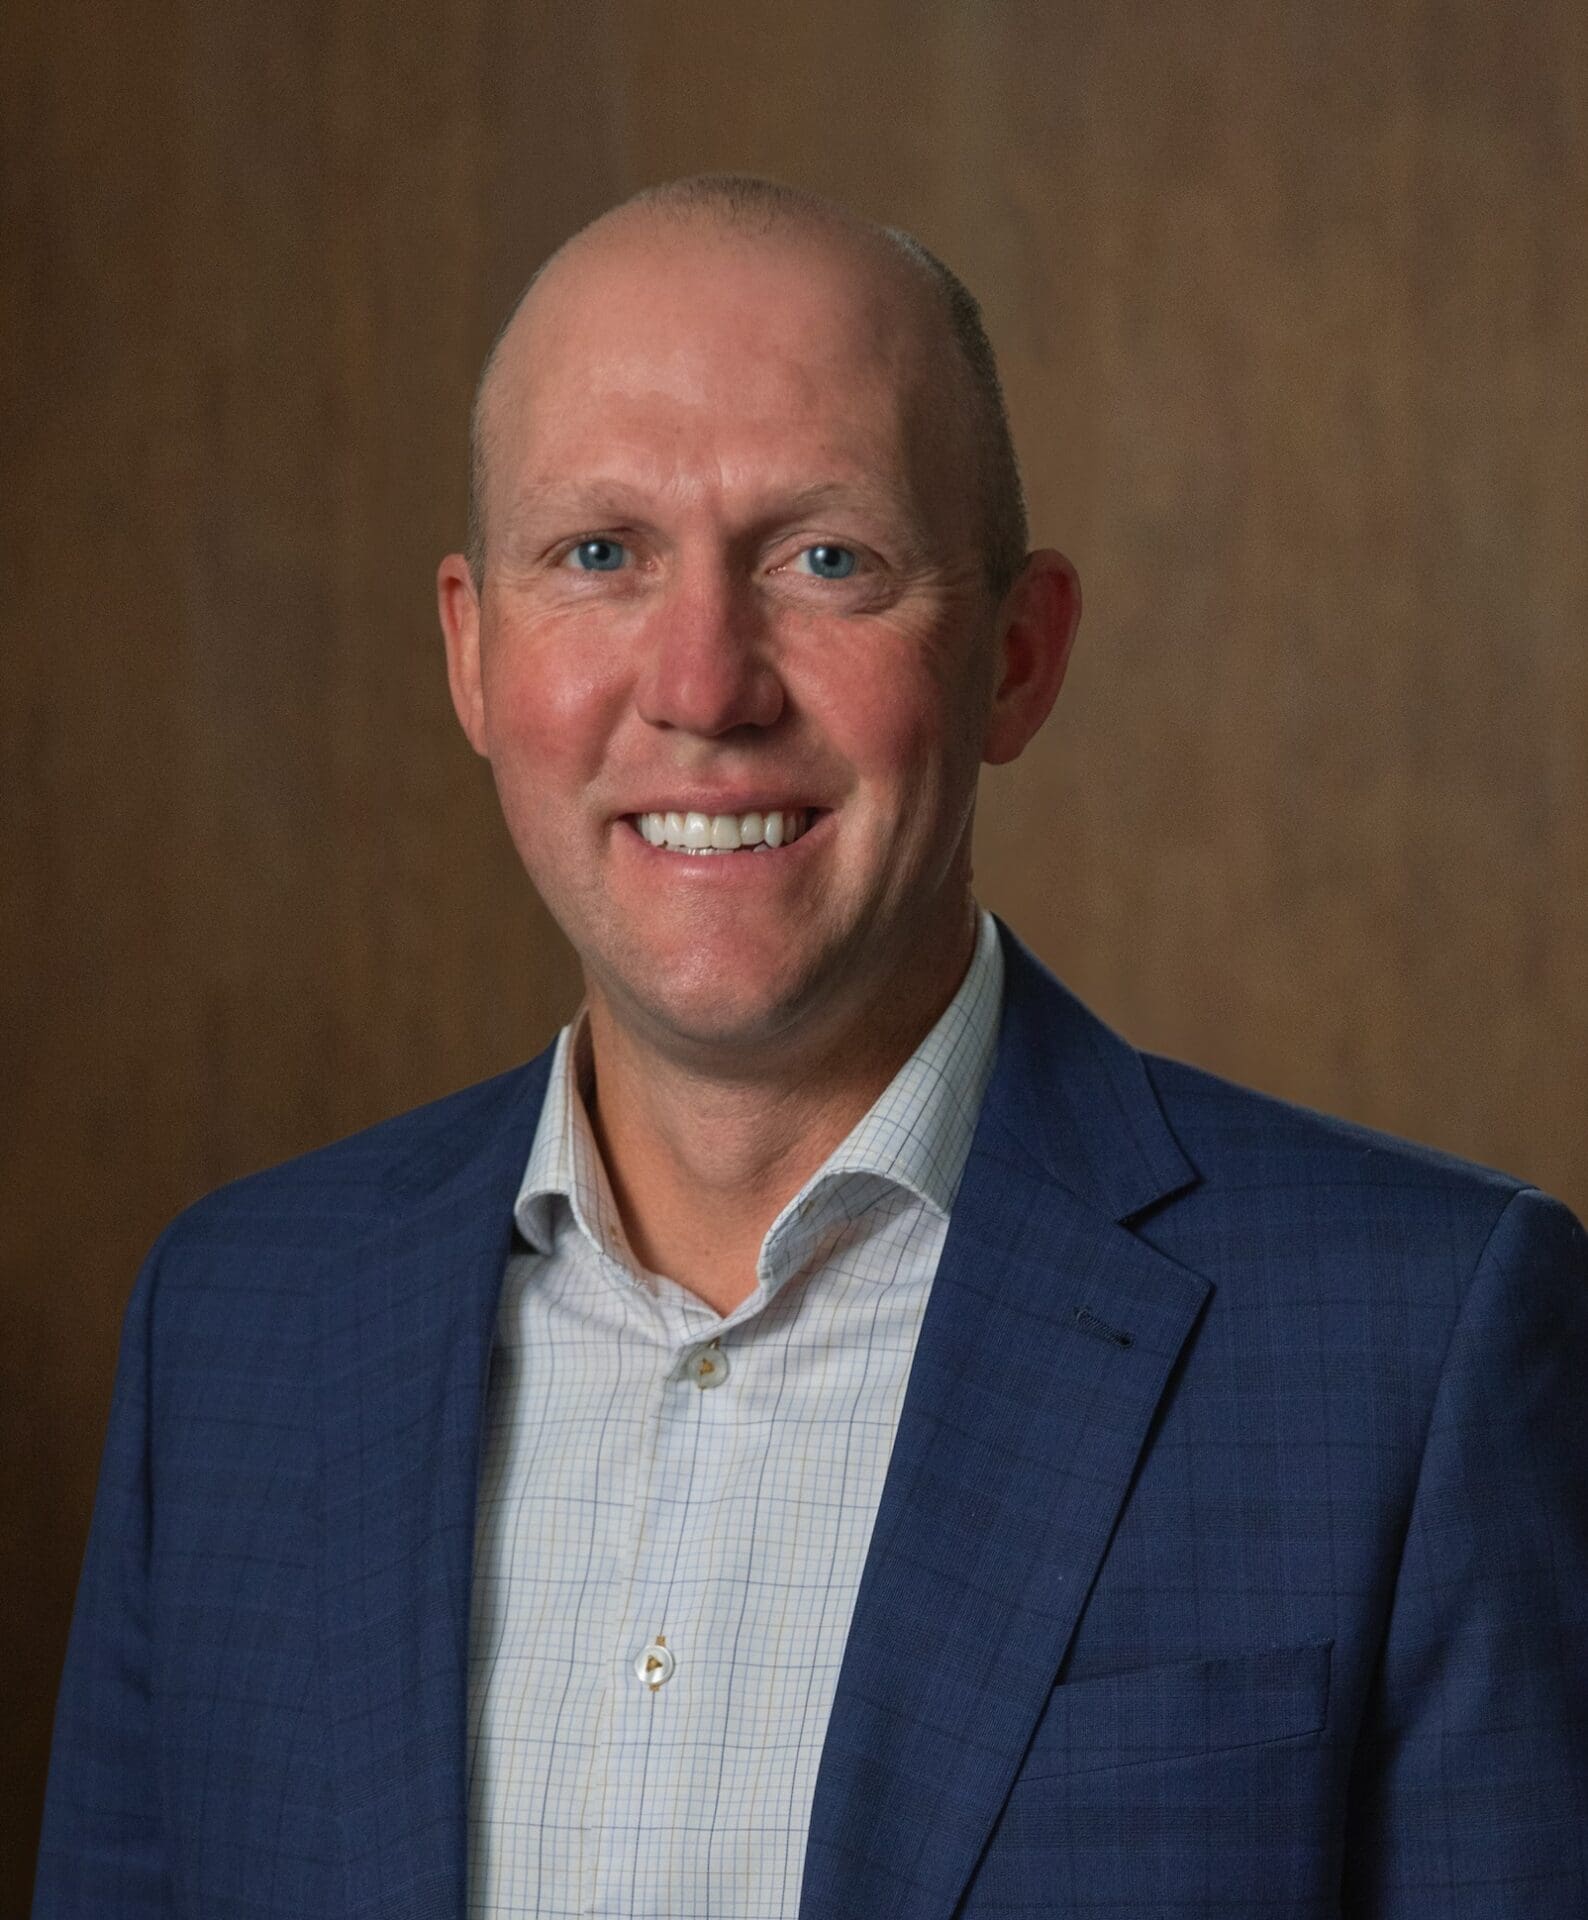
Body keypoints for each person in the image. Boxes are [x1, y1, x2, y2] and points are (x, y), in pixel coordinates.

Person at [33, 174, 1588, 1920]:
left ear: (1017, 657)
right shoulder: (236, 1333)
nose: (705, 685)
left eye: (827, 560)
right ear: (472, 653)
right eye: (600, 554)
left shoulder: (1415, 1343)